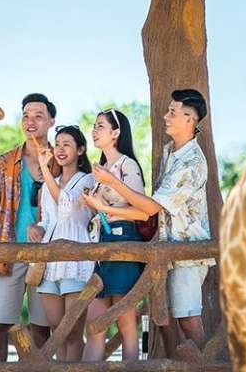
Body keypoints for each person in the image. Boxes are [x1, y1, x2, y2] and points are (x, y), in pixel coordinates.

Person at [90, 89, 214, 350]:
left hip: (187, 251)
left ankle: (207, 367)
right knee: (164, 317)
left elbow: (151, 207)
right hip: (165, 251)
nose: (166, 116)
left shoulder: (191, 162)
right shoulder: (171, 152)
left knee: (188, 318)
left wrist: (112, 182)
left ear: (190, 119)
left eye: (172, 112)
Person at [0, 93, 56, 361]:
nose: (30, 121)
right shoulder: (4, 162)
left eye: (38, 116)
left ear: (51, 122)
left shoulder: (61, 160)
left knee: (42, 329)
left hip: (48, 256)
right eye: (26, 115)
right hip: (8, 255)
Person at [79, 109, 147, 362]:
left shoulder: (127, 165)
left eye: (100, 126)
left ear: (116, 133)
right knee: (94, 323)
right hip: (101, 246)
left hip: (124, 243)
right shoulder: (101, 168)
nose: (94, 131)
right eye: (94, 126)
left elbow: (141, 209)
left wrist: (102, 207)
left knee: (127, 325)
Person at [34, 125, 97, 361]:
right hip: (49, 262)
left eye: (66, 144)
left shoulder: (87, 180)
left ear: (80, 150)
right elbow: (48, 219)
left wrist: (44, 169)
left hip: (76, 258)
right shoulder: (50, 182)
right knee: (56, 333)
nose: (60, 149)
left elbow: (67, 207)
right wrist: (37, 227)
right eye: (57, 144)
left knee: (71, 332)